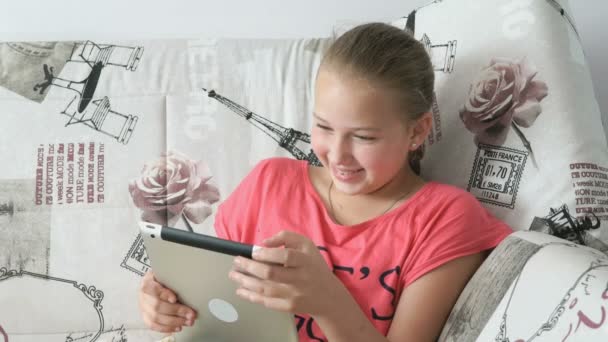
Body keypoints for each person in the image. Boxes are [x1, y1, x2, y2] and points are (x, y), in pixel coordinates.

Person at [138, 22, 513, 341]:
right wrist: (166, 299)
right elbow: (217, 300)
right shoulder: (269, 184)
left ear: (417, 132)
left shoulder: (444, 218)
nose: (337, 154)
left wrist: (326, 300)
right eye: (323, 127)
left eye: (364, 137)